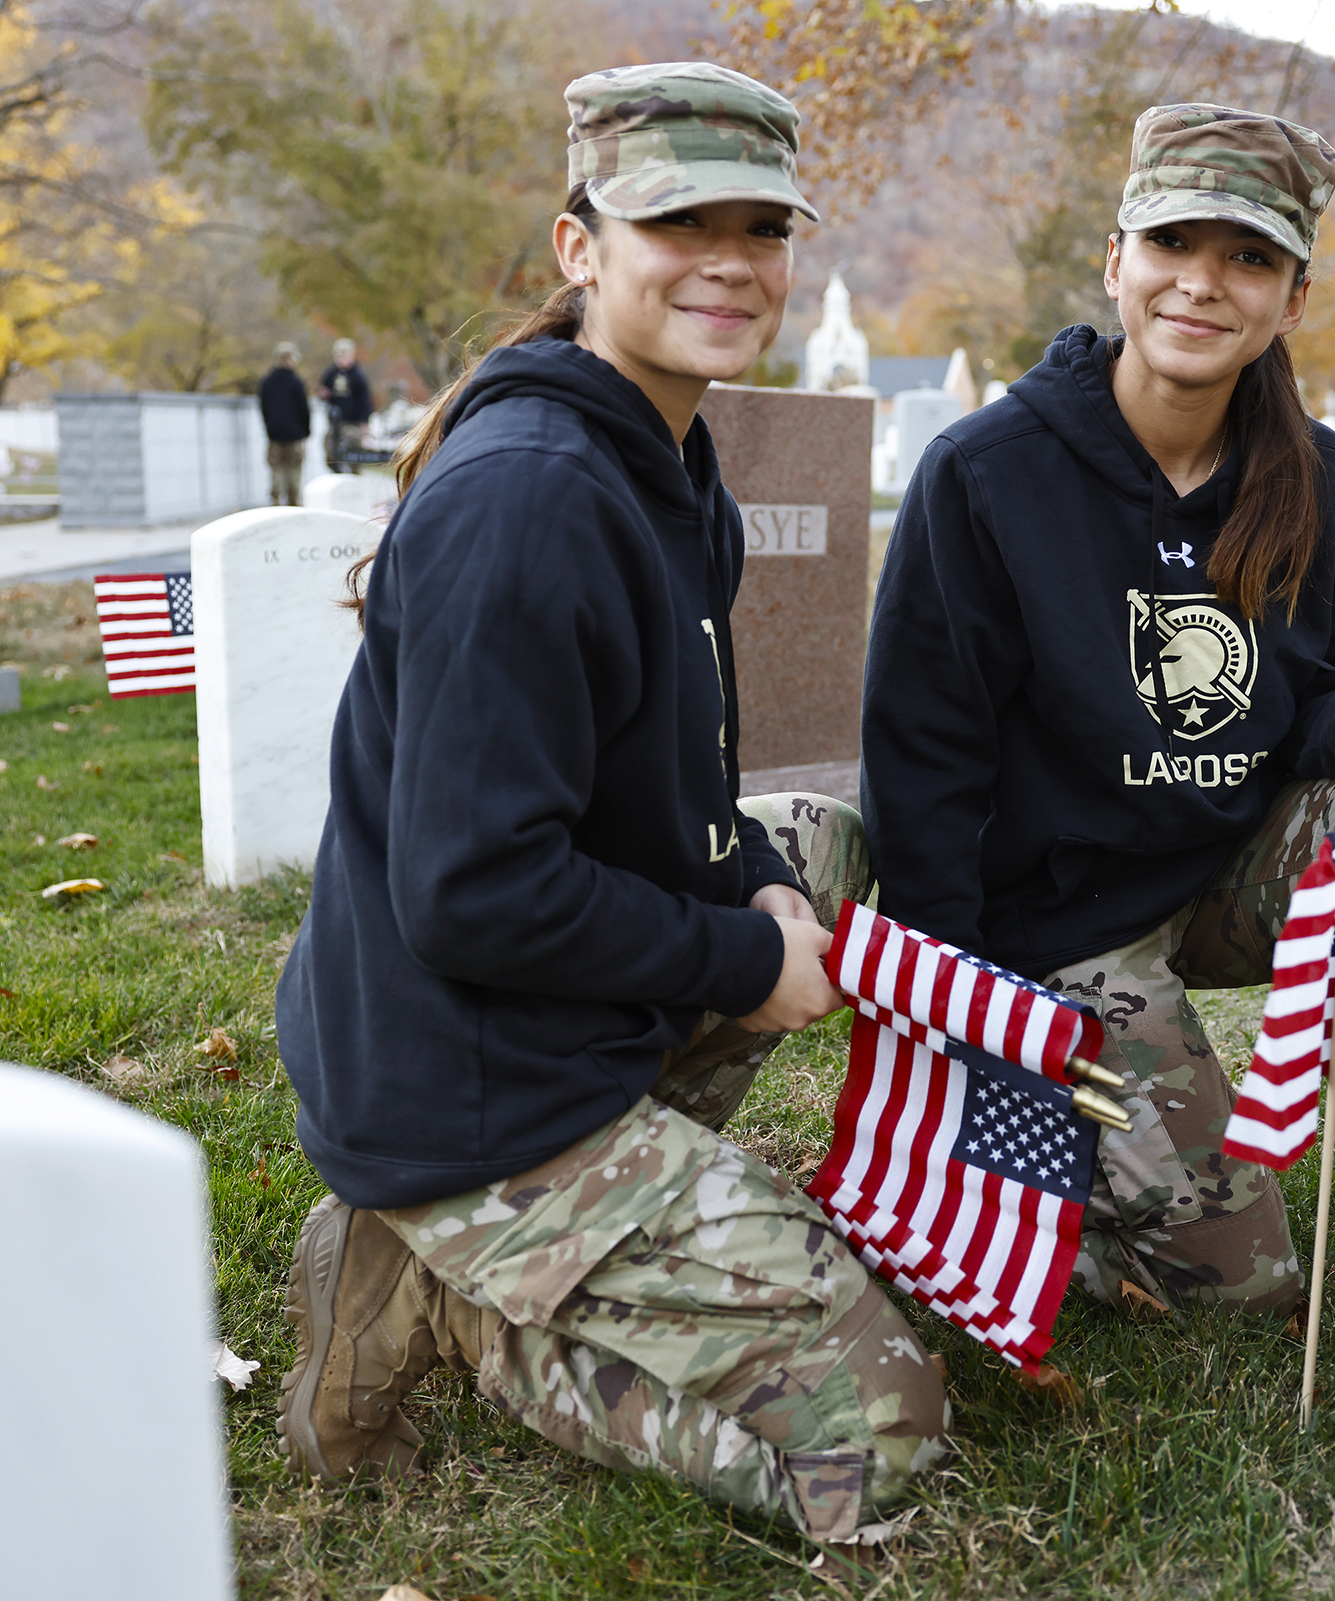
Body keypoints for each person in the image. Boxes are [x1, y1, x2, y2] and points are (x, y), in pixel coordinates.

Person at [269, 61, 945, 1546]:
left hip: (535, 1013)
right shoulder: (530, 499)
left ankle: (549, 1211)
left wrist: (760, 881)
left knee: (819, 848)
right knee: (881, 1445)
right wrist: (743, 961)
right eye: (675, 221)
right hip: (462, 1080)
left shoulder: (667, 459)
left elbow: (668, 786)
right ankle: (455, 1300)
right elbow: (474, 890)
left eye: (760, 227)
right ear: (581, 247)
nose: (729, 260)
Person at [860, 104, 1335, 1318]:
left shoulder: (1323, 480)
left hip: (1226, 866)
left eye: (1249, 258)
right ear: (1116, 260)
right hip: (1058, 919)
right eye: (1174, 242)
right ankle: (1076, 1163)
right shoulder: (985, 473)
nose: (1203, 283)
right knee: (1244, 1290)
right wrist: (961, 1016)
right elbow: (926, 757)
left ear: (1291, 300)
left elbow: (1332, 696)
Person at [258, 342, 310, 505]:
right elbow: (304, 409)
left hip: (274, 435)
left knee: (276, 471)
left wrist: (269, 429)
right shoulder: (295, 382)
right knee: (294, 471)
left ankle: (275, 503)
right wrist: (306, 430)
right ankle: (293, 505)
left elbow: (263, 409)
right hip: (294, 436)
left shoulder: (267, 382)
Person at [318, 337, 373, 472]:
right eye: (337, 354)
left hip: (353, 423)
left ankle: (354, 478)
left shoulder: (358, 376)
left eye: (343, 354)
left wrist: (365, 423)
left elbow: (365, 401)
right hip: (336, 422)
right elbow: (323, 390)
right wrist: (324, 394)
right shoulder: (331, 373)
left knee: (353, 454)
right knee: (331, 452)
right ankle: (337, 475)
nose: (340, 357)